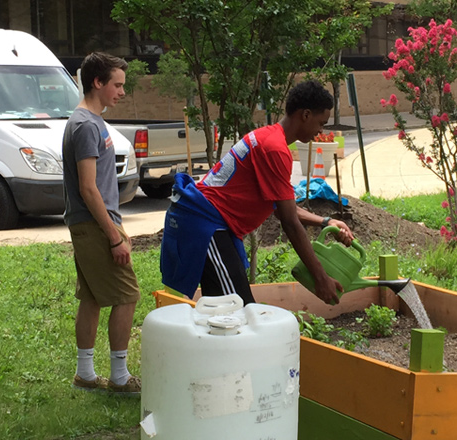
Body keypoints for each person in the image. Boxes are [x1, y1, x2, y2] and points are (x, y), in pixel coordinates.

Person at [161, 80, 353, 305]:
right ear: (305, 115)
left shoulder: (269, 137)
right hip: (207, 227)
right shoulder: (275, 148)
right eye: (321, 123)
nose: (321, 131)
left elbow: (284, 209)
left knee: (228, 313)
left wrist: (326, 221)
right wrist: (321, 278)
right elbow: (289, 221)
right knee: (238, 310)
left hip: (213, 225)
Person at [62, 52, 141, 395]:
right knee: (127, 295)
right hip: (95, 226)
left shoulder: (91, 122)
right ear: (98, 82)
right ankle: (121, 379)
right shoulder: (84, 125)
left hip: (96, 224)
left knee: (92, 297)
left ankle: (86, 375)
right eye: (117, 85)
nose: (122, 92)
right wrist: (113, 236)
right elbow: (88, 187)